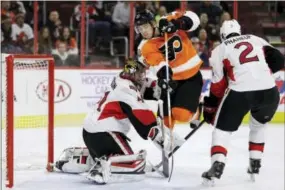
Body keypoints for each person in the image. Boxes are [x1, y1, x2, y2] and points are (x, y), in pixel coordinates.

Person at [55, 58, 184, 184]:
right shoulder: (126, 91)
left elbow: (144, 85)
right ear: (132, 75)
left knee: (115, 157)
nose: (143, 77)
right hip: (105, 133)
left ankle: (79, 160)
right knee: (136, 165)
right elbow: (142, 115)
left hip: (91, 133)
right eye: (140, 74)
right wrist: (161, 139)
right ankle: (103, 166)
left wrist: (160, 85)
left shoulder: (121, 78)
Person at [201, 19, 284, 183]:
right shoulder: (255, 39)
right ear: (239, 31)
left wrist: (211, 108)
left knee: (221, 131)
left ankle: (217, 165)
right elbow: (278, 58)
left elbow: (217, 86)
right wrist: (263, 73)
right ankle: (255, 163)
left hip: (241, 92)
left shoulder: (220, 49)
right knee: (259, 126)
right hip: (270, 91)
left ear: (222, 34)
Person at [135, 9, 203, 129]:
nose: (143, 31)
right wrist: (164, 76)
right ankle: (167, 142)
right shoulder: (145, 47)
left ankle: (197, 110)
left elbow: (194, 18)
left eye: (145, 26)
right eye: (140, 29)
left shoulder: (166, 20)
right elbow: (159, 63)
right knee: (164, 122)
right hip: (172, 80)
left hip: (191, 76)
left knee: (180, 115)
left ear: (153, 23)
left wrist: (177, 24)